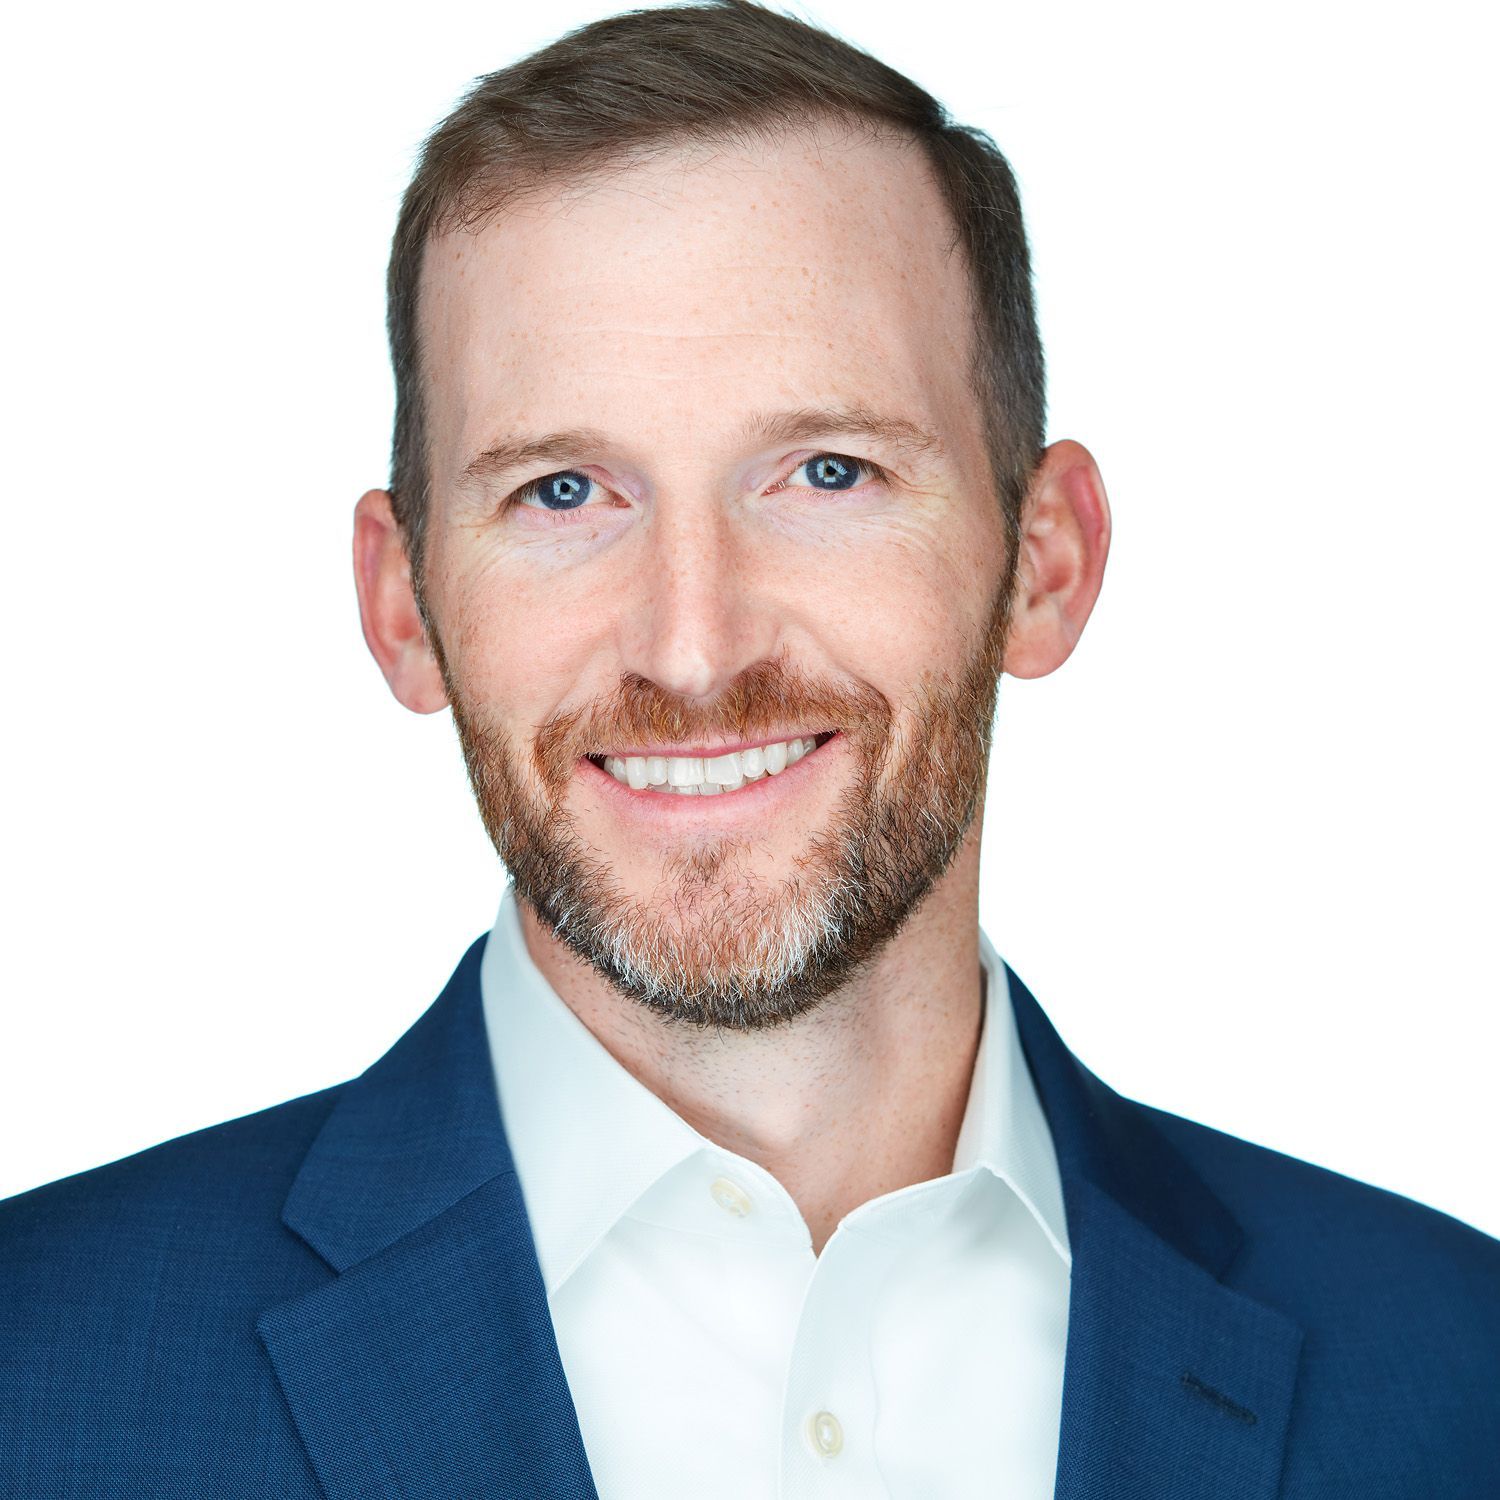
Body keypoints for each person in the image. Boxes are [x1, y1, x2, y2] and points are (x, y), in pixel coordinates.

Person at [2, 1, 1496, 1495]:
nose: (694, 646)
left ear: (1044, 560)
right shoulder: (35, 1368)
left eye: (825, 472)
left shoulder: (1452, 1372)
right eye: (564, 493)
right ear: (403, 607)